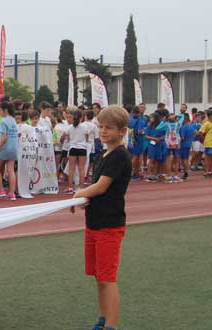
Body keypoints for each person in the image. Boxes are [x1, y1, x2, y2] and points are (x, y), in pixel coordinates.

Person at [71, 105, 132, 330]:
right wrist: (84, 199)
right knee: (99, 277)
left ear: (123, 131)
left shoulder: (119, 155)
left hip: (109, 225)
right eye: (101, 126)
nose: (103, 131)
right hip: (95, 223)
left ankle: (111, 325)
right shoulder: (104, 153)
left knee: (107, 278)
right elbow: (97, 188)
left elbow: (102, 186)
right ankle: (103, 318)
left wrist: (80, 194)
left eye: (109, 128)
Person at [0, 101, 18, 200]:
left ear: (5, 110)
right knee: (11, 170)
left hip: (5, 147)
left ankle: (0, 189)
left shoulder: (3, 121)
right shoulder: (13, 120)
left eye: (0, 110)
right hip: (14, 148)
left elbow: (4, 137)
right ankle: (11, 193)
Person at [65, 109, 89, 193]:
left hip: (73, 148)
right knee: (81, 168)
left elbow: (68, 139)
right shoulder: (85, 127)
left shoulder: (69, 127)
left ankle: (70, 187)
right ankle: (81, 187)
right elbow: (87, 138)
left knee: (71, 168)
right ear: (81, 117)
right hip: (82, 148)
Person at [178, 114, 196, 180]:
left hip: (184, 144)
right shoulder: (191, 126)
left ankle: (186, 173)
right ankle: (186, 171)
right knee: (186, 158)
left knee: (184, 159)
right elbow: (194, 134)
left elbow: (182, 137)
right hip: (189, 143)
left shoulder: (183, 127)